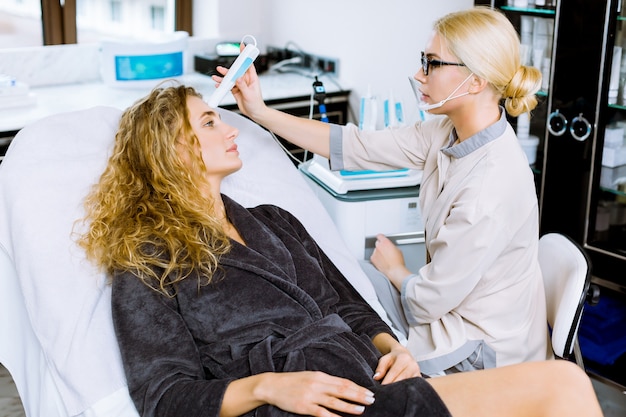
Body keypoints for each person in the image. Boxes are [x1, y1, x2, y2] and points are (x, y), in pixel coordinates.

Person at [77, 83, 603, 417]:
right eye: (209, 121)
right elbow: (164, 396)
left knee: (564, 384)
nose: (228, 126)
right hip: (304, 404)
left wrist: (390, 345)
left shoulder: (273, 221)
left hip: (364, 378)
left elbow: (346, 305)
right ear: (171, 150)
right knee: (560, 385)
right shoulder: (147, 260)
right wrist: (268, 389)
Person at [220, 6, 550, 375]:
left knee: (354, 322)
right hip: (452, 305)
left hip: (478, 346)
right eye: (422, 60)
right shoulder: (450, 131)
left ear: (474, 81)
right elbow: (357, 144)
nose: (418, 74)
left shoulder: (491, 187)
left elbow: (429, 301)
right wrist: (259, 112)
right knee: (349, 282)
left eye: (432, 64)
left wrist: (396, 270)